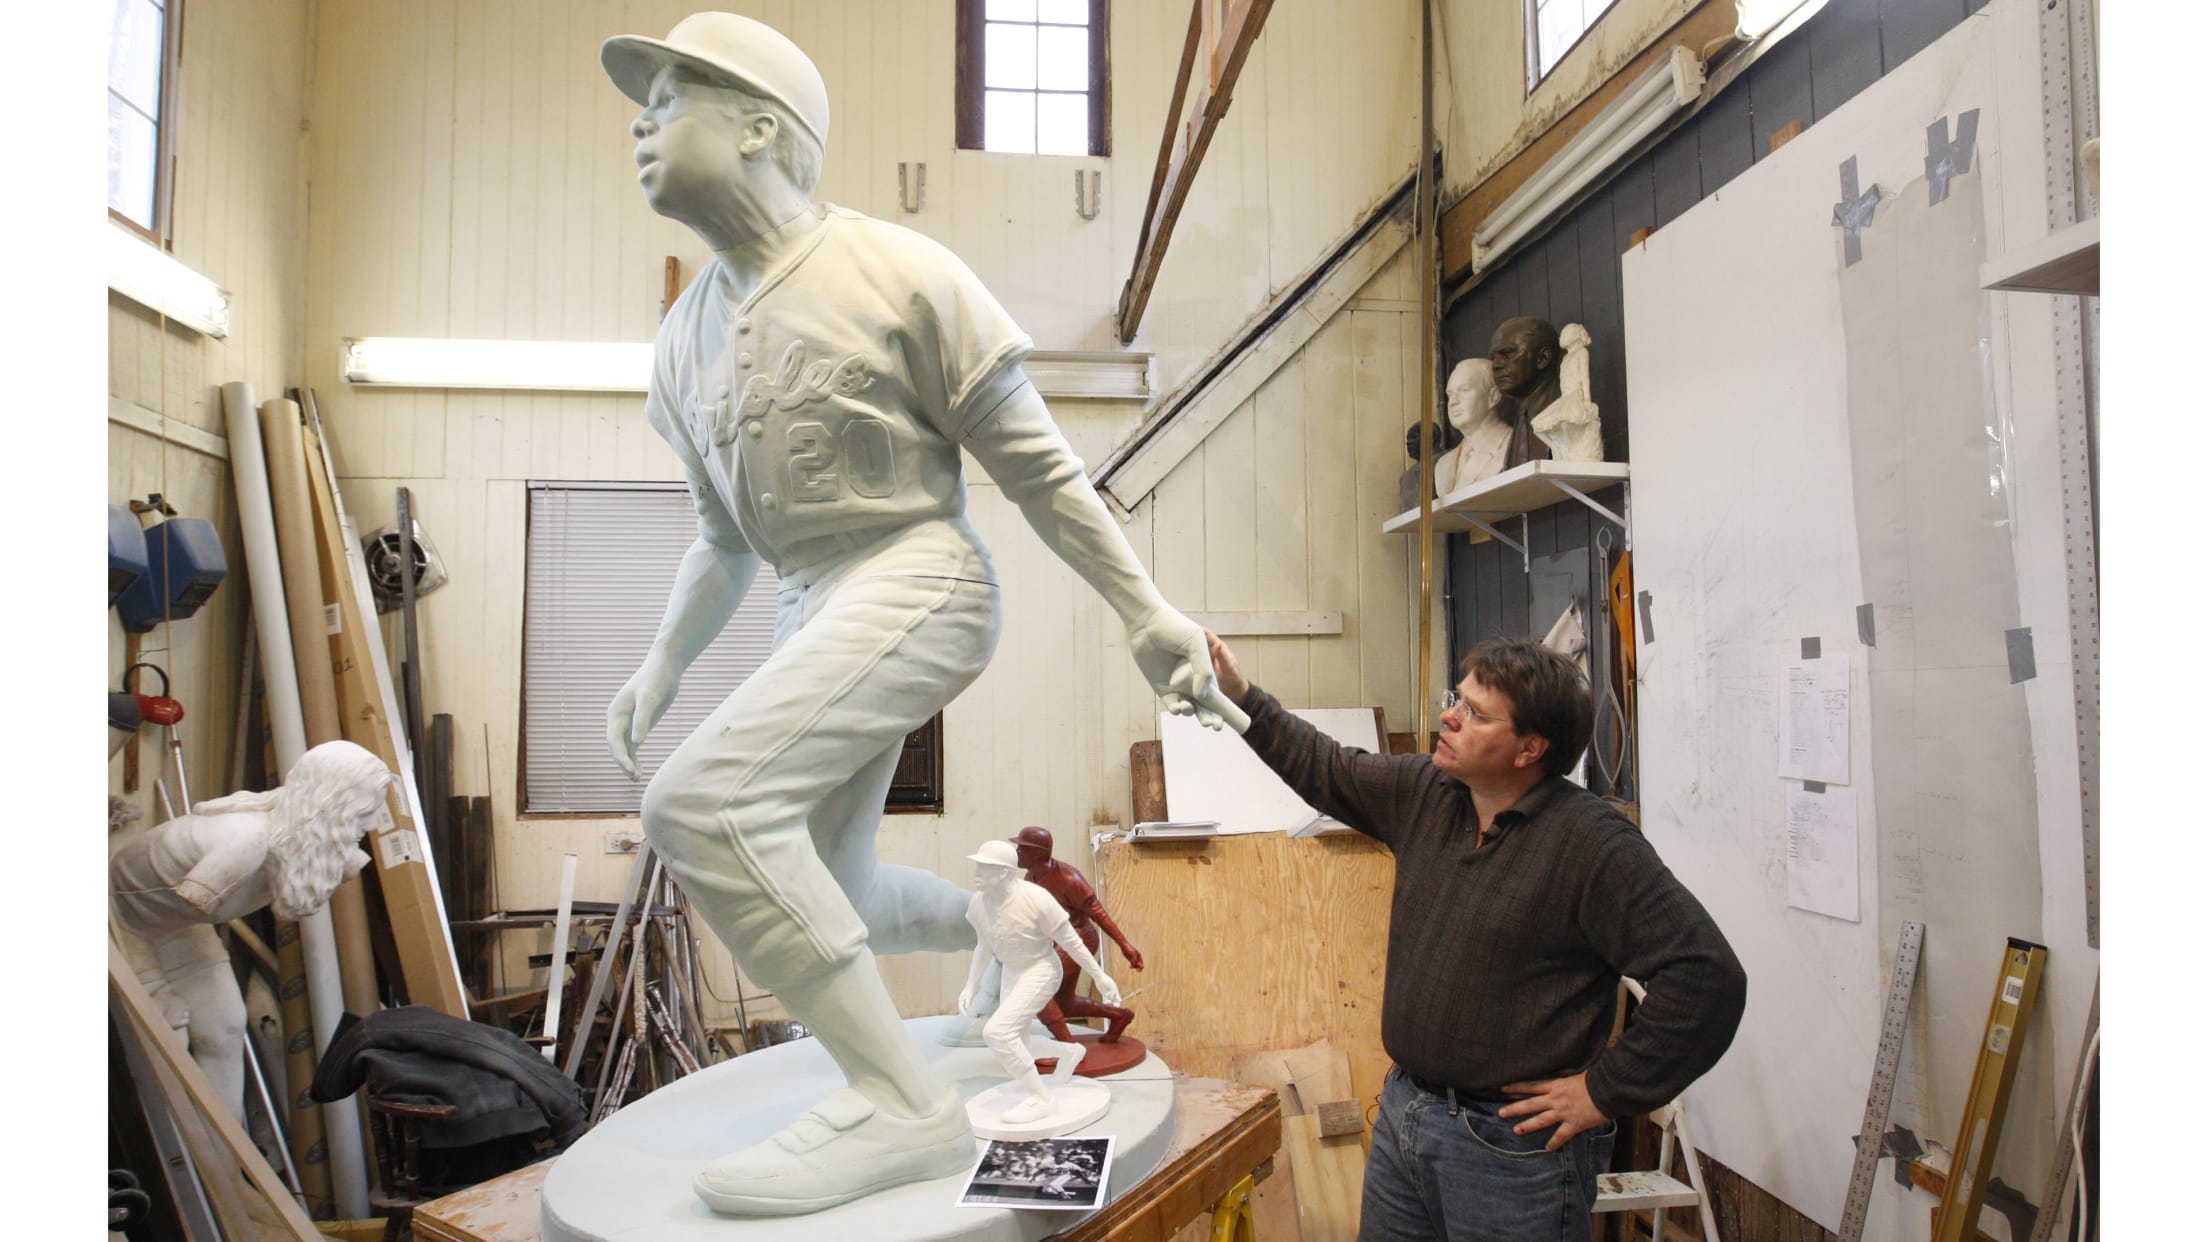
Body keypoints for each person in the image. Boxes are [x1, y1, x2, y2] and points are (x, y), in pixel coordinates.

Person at [596, 12, 1243, 1215]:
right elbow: (723, 536)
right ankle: (1012, 943)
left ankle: (899, 1106)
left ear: (760, 129)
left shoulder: (898, 273)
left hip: (918, 573)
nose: (639, 122)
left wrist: (1146, 613)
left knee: (702, 804)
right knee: (827, 887)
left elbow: (1045, 476)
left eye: (669, 96)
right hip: (809, 596)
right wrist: (659, 665)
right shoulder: (683, 339)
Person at [1202, 630, 1746, 1242]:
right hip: (1408, 1115)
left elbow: (1706, 977)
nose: (1448, 717)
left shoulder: (1592, 845)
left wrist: (1604, 1089)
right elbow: (1325, 766)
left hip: (1512, 1153)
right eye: (1455, 699)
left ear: (1529, 748)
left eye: (1474, 713)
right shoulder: (1431, 795)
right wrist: (1238, 694)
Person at [109, 740, 396, 1122]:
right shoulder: (243, 841)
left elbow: (323, 866)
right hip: (118, 914)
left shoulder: (310, 840)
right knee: (167, 1034)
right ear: (332, 804)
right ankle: (180, 1166)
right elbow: (196, 894)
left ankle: (228, 1167)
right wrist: (158, 987)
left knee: (226, 1027)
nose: (374, 823)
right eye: (367, 810)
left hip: (177, 923)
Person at [957, 841, 1122, 1125]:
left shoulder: (1036, 900)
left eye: (984, 867)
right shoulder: (980, 902)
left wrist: (1100, 977)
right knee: (1017, 1043)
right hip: (1012, 970)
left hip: (1041, 970)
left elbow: (1072, 942)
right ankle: (1070, 1052)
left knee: (997, 1033)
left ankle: (1042, 1100)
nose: (977, 872)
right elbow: (984, 945)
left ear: (1004, 873)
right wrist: (970, 985)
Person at [1012, 825, 1142, 1043]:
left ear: (1037, 853)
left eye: (1021, 848)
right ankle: (1120, 1016)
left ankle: (1069, 1048)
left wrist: (1124, 945)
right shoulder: (1031, 876)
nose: (1017, 853)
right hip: (1055, 941)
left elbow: (1098, 913)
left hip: (1078, 938)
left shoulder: (1069, 879)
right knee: (1064, 1003)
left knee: (1038, 991)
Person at [1488, 315, 1564, 468]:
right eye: (1493, 358)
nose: (1496, 365)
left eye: (1508, 354)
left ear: (1542, 358)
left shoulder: (1564, 417)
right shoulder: (1521, 420)